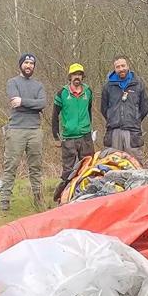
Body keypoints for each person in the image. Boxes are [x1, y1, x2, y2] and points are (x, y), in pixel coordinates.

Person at [1, 53, 47, 211]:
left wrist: (24, 101)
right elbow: (15, 103)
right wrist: (32, 104)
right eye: (26, 63)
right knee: (11, 165)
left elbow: (42, 103)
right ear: (21, 64)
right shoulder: (12, 82)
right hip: (16, 130)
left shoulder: (39, 85)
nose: (29, 66)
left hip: (35, 130)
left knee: (36, 167)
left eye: (31, 64)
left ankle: (38, 198)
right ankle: (5, 199)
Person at [52, 63, 95, 202]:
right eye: (74, 74)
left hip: (86, 136)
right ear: (70, 77)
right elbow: (54, 115)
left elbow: (89, 111)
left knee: (88, 167)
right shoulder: (62, 93)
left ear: (82, 76)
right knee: (68, 171)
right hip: (69, 137)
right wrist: (56, 136)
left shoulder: (88, 91)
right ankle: (63, 197)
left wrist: (89, 128)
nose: (77, 77)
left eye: (80, 74)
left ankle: (88, 196)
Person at [100, 56, 148, 165]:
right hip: (113, 132)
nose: (121, 69)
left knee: (136, 165)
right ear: (114, 69)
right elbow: (103, 108)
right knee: (113, 165)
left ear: (128, 66)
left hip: (132, 132)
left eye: (123, 65)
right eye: (118, 67)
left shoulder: (138, 84)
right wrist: (112, 119)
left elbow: (144, 107)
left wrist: (135, 119)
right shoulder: (108, 86)